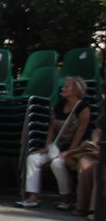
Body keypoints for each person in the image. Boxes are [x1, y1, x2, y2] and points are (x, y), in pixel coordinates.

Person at [16, 76, 91, 209]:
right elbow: (52, 127)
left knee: (57, 163)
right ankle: (33, 197)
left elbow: (81, 131)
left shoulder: (83, 108)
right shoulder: (60, 106)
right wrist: (46, 147)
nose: (63, 89)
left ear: (76, 90)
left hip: (75, 148)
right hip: (57, 147)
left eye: (67, 86)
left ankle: (66, 197)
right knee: (33, 159)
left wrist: (70, 151)